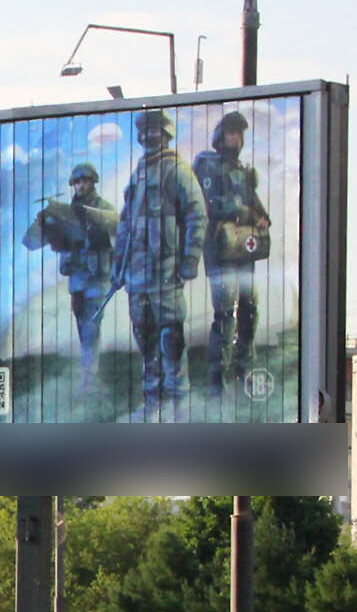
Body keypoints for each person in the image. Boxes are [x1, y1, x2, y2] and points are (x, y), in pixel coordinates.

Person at [110, 109, 208, 411]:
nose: (150, 137)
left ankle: (178, 399)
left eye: (156, 132)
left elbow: (196, 215)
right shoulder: (138, 173)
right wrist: (118, 269)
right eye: (145, 133)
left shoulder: (176, 170)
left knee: (170, 334)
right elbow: (125, 224)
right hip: (137, 274)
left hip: (166, 269)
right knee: (145, 336)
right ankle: (152, 398)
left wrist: (190, 258)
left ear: (165, 135)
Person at [193, 109, 271, 394]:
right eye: (230, 132)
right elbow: (208, 203)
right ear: (219, 135)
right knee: (224, 313)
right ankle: (218, 376)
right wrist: (242, 211)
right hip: (219, 246)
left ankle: (244, 368)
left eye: (239, 133)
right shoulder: (206, 164)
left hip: (243, 248)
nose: (235, 139)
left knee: (250, 309)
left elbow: (256, 205)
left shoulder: (244, 172)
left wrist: (260, 217)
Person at [23, 162, 119, 371]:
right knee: (81, 321)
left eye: (85, 181)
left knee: (91, 324)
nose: (81, 185)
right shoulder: (63, 213)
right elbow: (30, 242)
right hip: (76, 278)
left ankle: (89, 373)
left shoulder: (103, 208)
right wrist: (44, 221)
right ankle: (88, 368)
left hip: (97, 276)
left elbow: (117, 228)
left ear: (93, 182)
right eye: (77, 182)